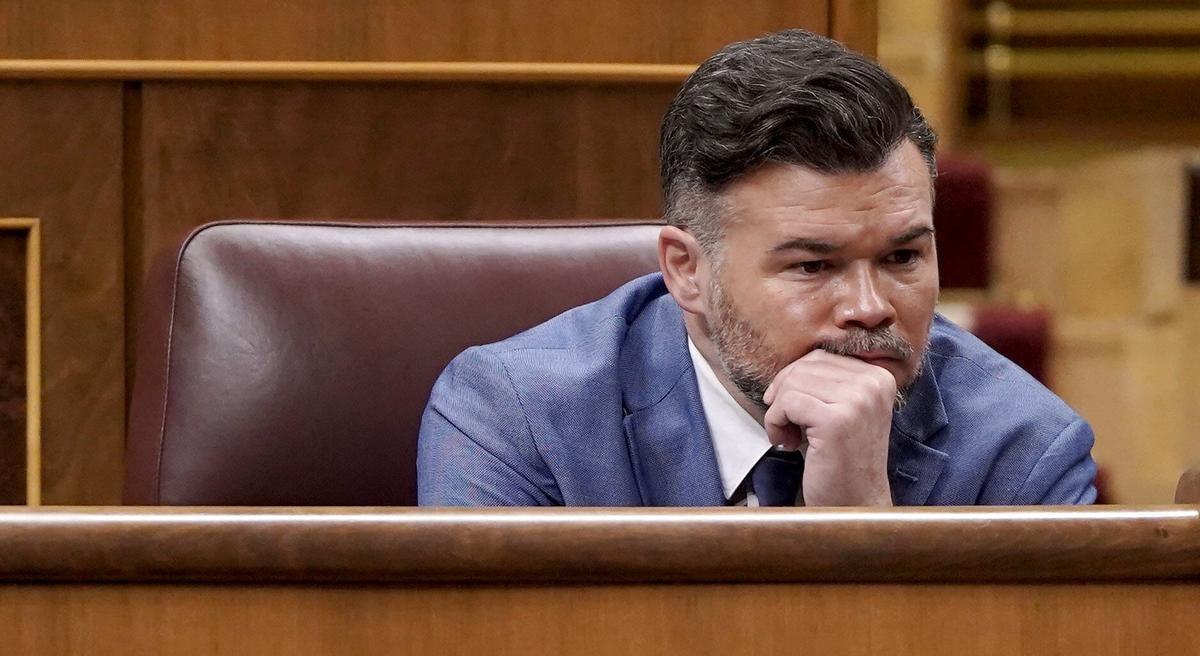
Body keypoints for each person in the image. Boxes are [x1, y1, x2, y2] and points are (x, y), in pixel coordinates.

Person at [417, 29, 1097, 507]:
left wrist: (866, 536)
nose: (869, 306)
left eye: (901, 256)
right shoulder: (520, 418)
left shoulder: (1022, 451)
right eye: (812, 266)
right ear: (687, 270)